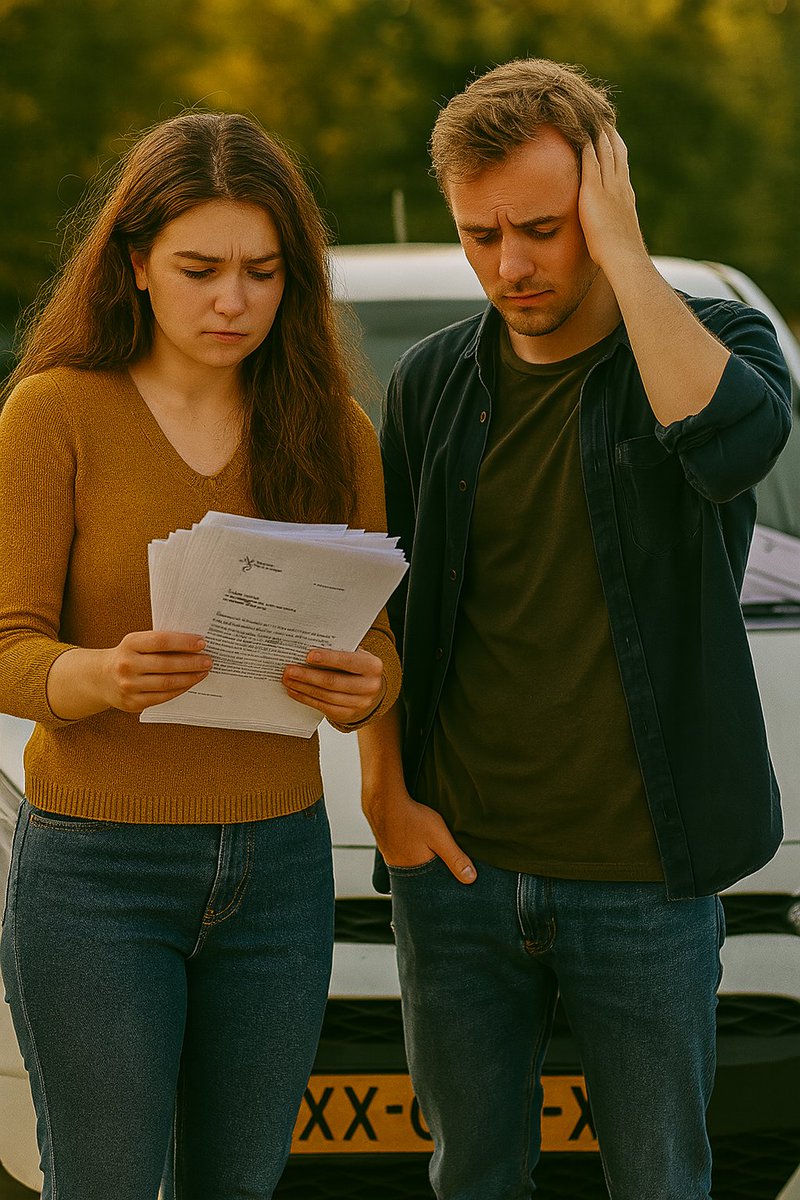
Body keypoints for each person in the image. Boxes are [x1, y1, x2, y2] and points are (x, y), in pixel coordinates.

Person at [357, 58, 791, 1200]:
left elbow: (734, 446)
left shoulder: (713, 342)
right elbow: (381, 604)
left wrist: (624, 253)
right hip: (457, 876)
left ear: (603, 202)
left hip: (645, 885)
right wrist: (383, 793)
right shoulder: (430, 384)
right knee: (471, 1178)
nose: (509, 264)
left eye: (542, 229)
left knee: (660, 1181)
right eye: (480, 234)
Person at [0, 111, 401, 1200]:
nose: (233, 301)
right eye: (200, 269)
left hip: (279, 869)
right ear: (135, 263)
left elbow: (373, 640)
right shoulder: (54, 414)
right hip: (96, 874)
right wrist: (100, 676)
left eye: (262, 273)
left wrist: (366, 686)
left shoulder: (334, 429)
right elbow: (8, 645)